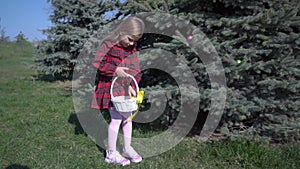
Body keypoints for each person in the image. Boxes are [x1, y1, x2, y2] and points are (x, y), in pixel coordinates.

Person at [91, 16, 145, 166]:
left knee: (128, 118)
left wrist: (131, 85)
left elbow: (134, 68)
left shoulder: (131, 48)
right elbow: (97, 62)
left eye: (135, 41)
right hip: (110, 87)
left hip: (124, 88)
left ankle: (127, 147)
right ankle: (111, 153)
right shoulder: (107, 44)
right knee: (116, 119)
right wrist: (115, 70)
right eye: (130, 39)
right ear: (122, 32)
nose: (132, 43)